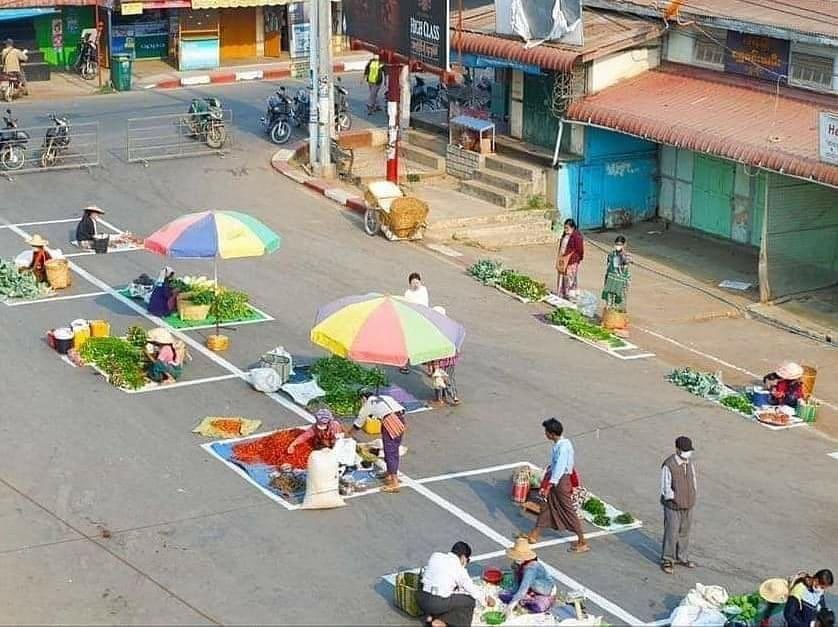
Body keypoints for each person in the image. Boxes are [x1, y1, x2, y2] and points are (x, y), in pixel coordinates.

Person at [526, 418, 589, 553]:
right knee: (547, 506)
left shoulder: (563, 447)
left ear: (552, 433)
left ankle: (582, 540)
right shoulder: (561, 444)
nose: (545, 434)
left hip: (560, 481)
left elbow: (560, 468)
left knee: (568, 510)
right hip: (557, 479)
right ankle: (535, 532)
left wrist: (549, 485)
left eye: (546, 432)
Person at [418, 541, 495, 627]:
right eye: (467, 560)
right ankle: (444, 622)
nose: (466, 563)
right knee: (469, 601)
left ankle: (430, 617)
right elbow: (472, 590)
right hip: (436, 603)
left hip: (421, 599)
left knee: (449, 597)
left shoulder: (435, 555)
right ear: (462, 557)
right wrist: (485, 599)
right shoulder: (459, 569)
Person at [350, 392, 406, 493]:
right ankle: (389, 473)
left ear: (364, 398)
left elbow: (358, 423)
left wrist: (348, 434)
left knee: (390, 452)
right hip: (400, 419)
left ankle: (394, 483)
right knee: (393, 449)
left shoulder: (369, 403)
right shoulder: (385, 397)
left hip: (390, 422)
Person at [660, 436, 697, 574]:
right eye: (685, 450)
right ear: (677, 449)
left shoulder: (689, 463)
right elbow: (666, 488)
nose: (688, 453)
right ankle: (667, 559)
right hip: (673, 506)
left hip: (688, 504)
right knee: (672, 532)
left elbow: (693, 480)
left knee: (684, 532)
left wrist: (692, 496)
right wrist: (675, 499)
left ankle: (682, 556)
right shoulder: (669, 465)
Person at [499, 538, 556, 615]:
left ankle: (529, 597)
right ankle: (525, 597)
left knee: (537, 607)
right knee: (503, 596)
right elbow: (517, 582)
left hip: (544, 588)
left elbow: (524, 587)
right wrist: (513, 592)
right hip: (527, 588)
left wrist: (511, 605)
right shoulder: (518, 564)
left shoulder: (531, 568)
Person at [555, 219, 584, 300]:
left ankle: (570, 296)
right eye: (565, 228)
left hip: (572, 261)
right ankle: (562, 293)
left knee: (570, 278)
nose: (565, 230)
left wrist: (577, 259)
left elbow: (580, 250)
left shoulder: (576, 236)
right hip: (563, 260)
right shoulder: (565, 235)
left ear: (573, 227)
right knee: (562, 276)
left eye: (567, 228)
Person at [602, 235, 631, 312]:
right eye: (617, 244)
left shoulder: (626, 255)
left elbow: (626, 265)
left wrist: (622, 255)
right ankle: (609, 313)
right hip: (611, 278)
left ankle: (619, 315)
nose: (618, 246)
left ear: (624, 245)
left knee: (620, 297)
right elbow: (608, 265)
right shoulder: (611, 254)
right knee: (610, 296)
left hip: (621, 280)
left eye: (620, 244)